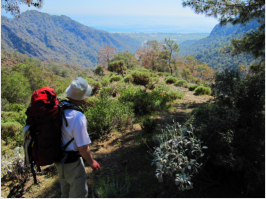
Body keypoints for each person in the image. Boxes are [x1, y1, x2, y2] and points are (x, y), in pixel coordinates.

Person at [54, 77, 101, 198]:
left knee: (65, 193)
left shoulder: (60, 108)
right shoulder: (78, 117)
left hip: (59, 161)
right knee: (79, 194)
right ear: (84, 96)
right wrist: (92, 162)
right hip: (72, 163)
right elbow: (83, 148)